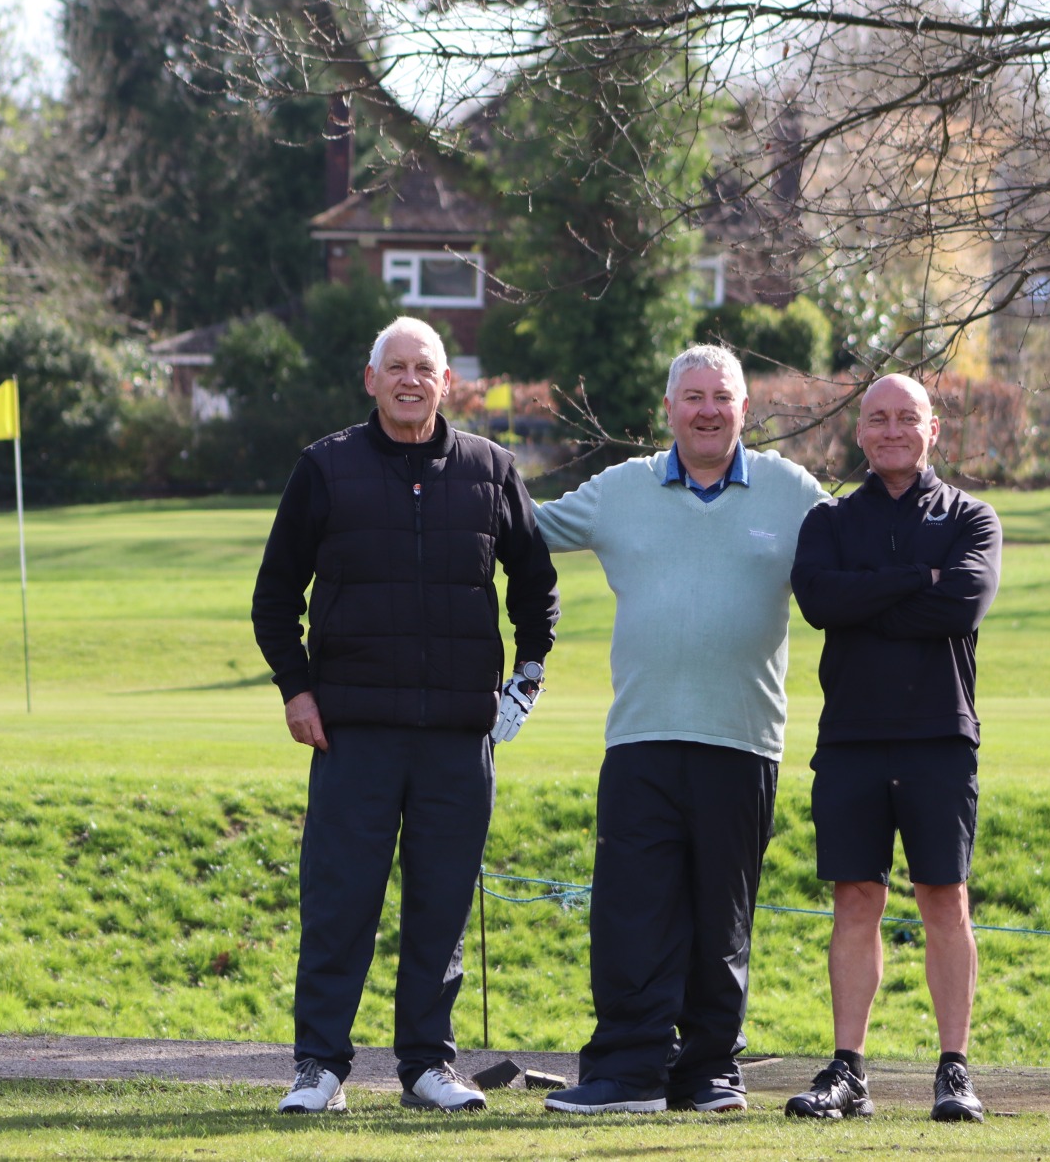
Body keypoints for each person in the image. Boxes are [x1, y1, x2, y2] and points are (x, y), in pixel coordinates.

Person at [251, 316, 559, 1114]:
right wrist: (296, 689)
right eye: (396, 367)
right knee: (339, 902)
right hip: (353, 732)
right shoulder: (325, 466)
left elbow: (536, 586)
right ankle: (319, 1066)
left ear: (447, 382)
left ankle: (427, 1065)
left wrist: (527, 677)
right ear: (371, 379)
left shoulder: (491, 469)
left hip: (458, 735)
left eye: (425, 367)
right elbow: (275, 596)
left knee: (441, 905)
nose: (411, 380)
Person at [532, 343, 828, 1115]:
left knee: (721, 919)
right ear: (667, 409)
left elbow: (860, 545)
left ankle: (708, 1073)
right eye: (692, 397)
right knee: (632, 913)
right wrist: (450, 481)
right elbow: (525, 526)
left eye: (721, 397)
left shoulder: (792, 491)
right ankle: (628, 1072)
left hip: (743, 741)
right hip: (641, 740)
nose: (707, 410)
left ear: (744, 408)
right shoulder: (620, 489)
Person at [784, 373, 1002, 1124]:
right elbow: (819, 601)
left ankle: (954, 1072)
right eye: (877, 418)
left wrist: (868, 595)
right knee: (856, 898)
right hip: (851, 735)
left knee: (945, 897)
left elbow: (961, 604)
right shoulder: (828, 519)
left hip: (941, 735)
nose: (891, 430)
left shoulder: (973, 518)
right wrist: (917, 579)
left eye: (907, 417)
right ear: (859, 432)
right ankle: (848, 1072)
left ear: (932, 428)